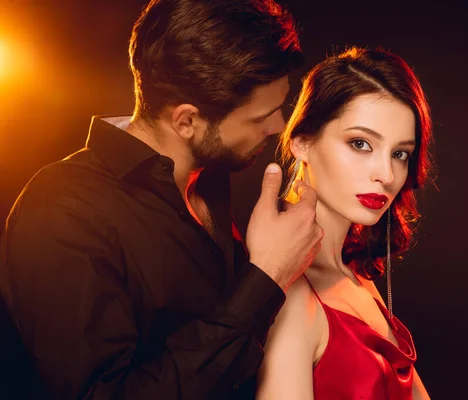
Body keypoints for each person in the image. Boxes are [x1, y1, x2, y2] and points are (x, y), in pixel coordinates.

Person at [0, 0, 324, 398]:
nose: (278, 127)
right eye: (261, 117)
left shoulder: (215, 176)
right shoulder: (61, 211)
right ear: (186, 120)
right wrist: (266, 278)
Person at [257, 47, 434, 399]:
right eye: (360, 143)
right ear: (303, 142)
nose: (385, 175)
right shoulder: (291, 296)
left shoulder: (356, 275)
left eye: (400, 154)